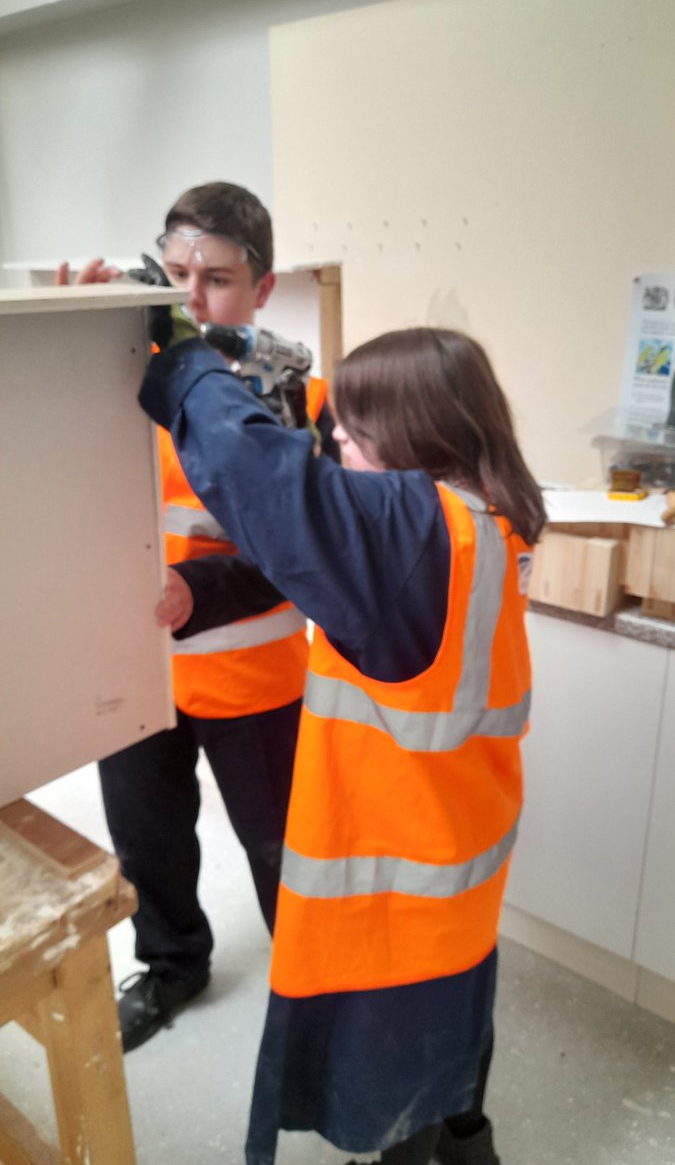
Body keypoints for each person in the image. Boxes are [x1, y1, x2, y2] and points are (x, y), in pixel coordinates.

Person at [138, 322, 546, 1165]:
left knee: (399, 1093)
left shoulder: (416, 533)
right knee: (451, 1047)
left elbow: (270, 483)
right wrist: (203, 591)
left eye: (353, 434)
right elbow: (299, 555)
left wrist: (184, 364)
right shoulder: (481, 523)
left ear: (413, 438)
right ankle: (469, 1145)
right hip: (457, 866)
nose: (339, 449)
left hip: (397, 897)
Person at [57, 181, 339, 1052]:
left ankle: (315, 992)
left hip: (254, 671)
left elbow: (306, 548)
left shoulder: (301, 395)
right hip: (134, 665)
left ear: (263, 287)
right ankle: (173, 964)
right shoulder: (116, 374)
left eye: (215, 279)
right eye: (174, 272)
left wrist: (198, 592)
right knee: (147, 842)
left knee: (280, 850)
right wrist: (59, 342)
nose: (188, 298)